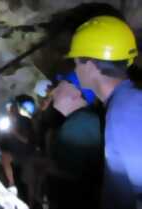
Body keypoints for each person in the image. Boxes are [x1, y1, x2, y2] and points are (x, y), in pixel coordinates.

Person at [66, 15, 142, 208]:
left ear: (90, 66)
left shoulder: (126, 112)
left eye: (76, 63)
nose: (75, 70)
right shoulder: (125, 103)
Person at [43, 71, 103, 209]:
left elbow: (67, 176)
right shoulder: (83, 120)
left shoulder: (79, 125)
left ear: (76, 94)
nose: (55, 90)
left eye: (62, 84)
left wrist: (45, 165)